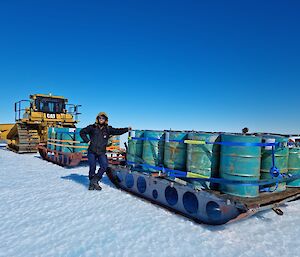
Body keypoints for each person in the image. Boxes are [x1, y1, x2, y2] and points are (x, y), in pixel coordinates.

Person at [80, 112, 130, 190]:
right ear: (97, 119)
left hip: (101, 152)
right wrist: (87, 140)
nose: (101, 120)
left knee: (104, 165)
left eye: (103, 118)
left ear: (105, 120)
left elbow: (117, 131)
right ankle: (92, 184)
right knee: (92, 167)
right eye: (100, 118)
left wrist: (126, 129)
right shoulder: (92, 127)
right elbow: (82, 132)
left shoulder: (108, 129)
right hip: (92, 151)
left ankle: (95, 180)